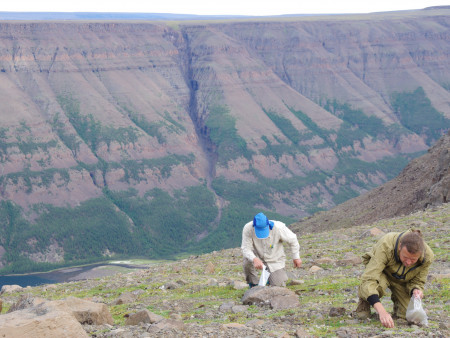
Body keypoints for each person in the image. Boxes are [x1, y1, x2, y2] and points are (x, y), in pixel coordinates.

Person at [356, 229, 434, 328]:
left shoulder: (427, 257)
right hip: (382, 273)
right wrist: (382, 312)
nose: (408, 262)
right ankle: (365, 300)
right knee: (372, 287)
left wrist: (416, 290)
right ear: (400, 247)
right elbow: (369, 279)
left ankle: (398, 307)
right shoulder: (386, 244)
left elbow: (418, 280)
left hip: (402, 281)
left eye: (413, 260)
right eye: (405, 257)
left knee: (409, 315)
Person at [241, 212, 302, 287]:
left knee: (278, 285)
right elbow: (246, 248)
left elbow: (293, 240)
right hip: (257, 255)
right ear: (254, 226)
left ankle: (269, 280)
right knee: (247, 261)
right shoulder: (248, 228)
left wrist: (296, 257)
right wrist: (254, 259)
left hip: (274, 259)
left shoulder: (279, 228)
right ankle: (253, 284)